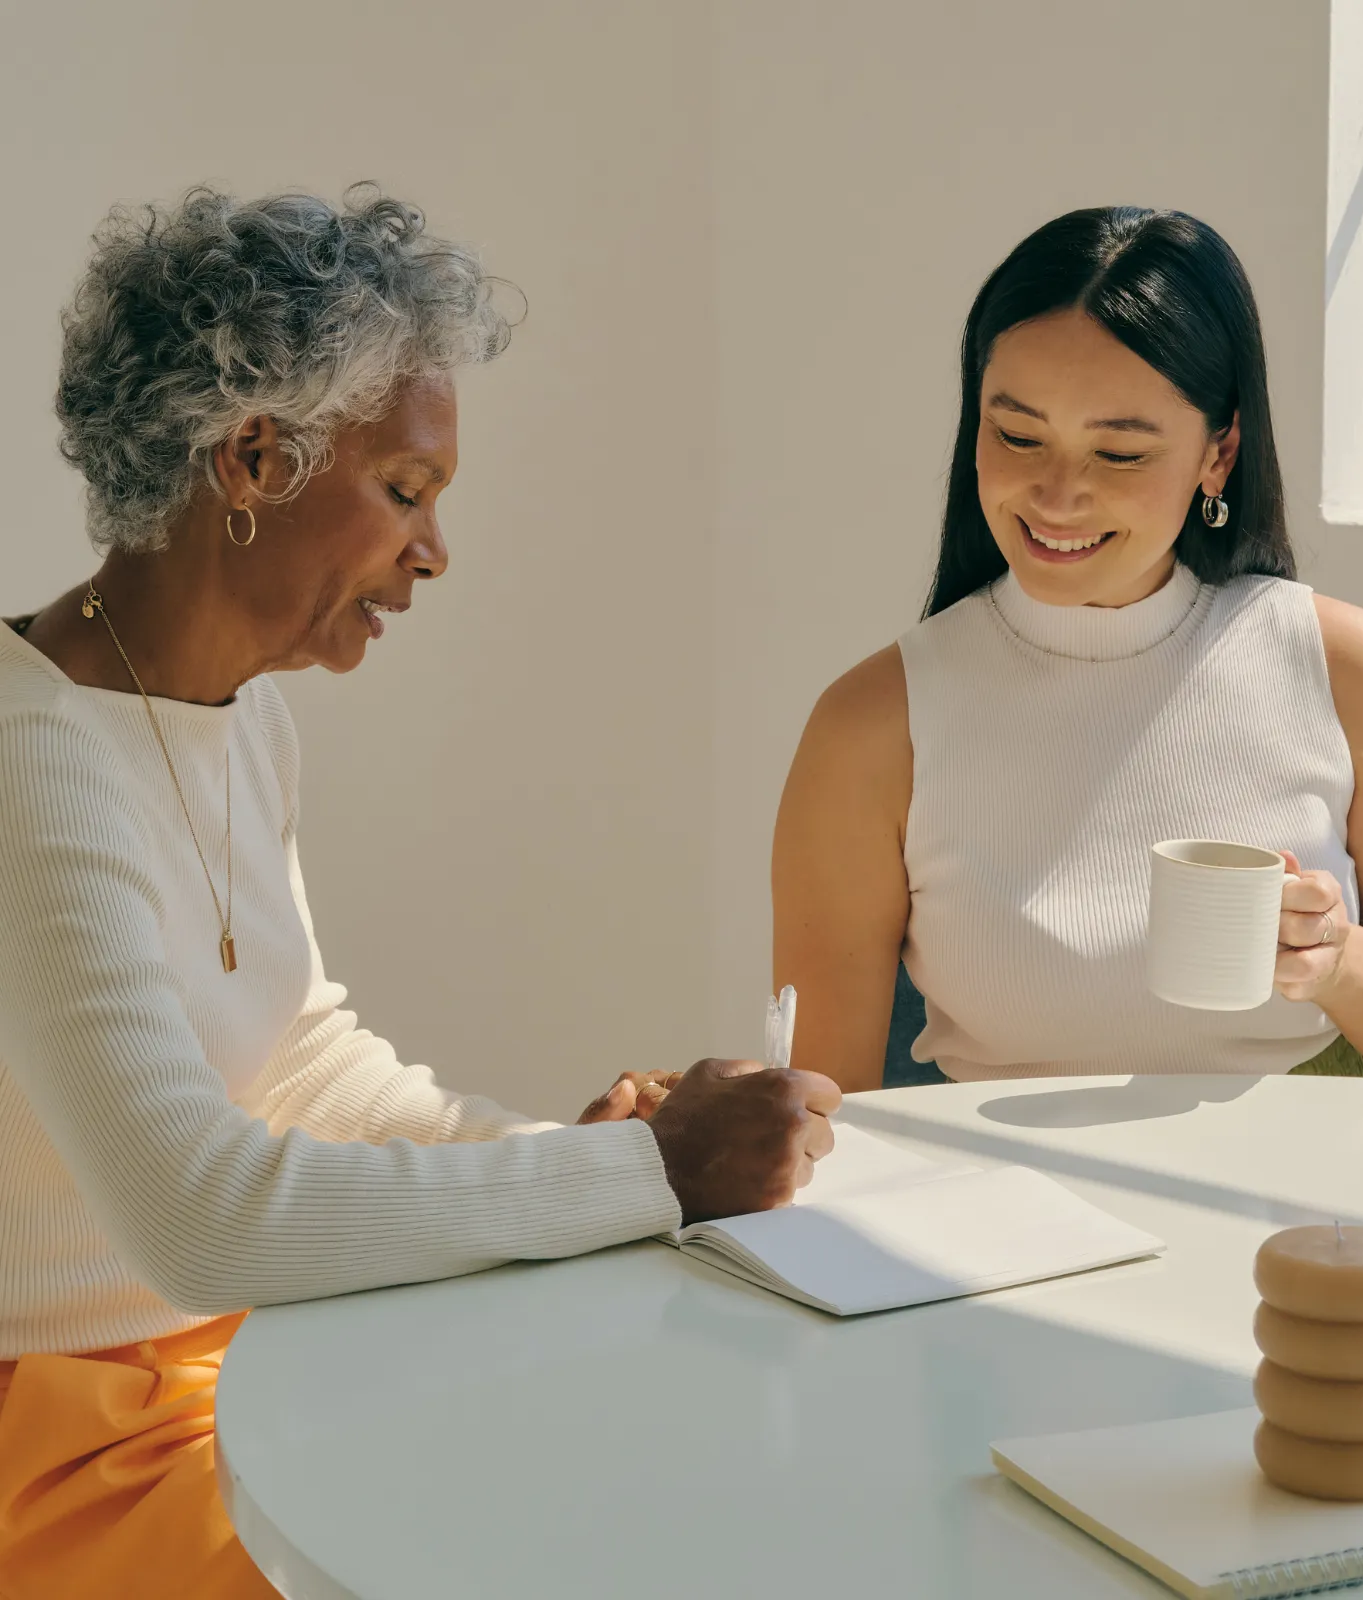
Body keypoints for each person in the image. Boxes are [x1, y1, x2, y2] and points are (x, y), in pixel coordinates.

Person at [0, 186, 839, 1600]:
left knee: (656, 1463)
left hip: (247, 1358)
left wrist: (551, 1151)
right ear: (252, 460)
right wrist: (645, 1172)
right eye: (407, 492)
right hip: (72, 1434)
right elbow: (199, 1219)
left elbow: (304, 1063)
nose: (434, 553)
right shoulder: (28, 763)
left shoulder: (240, 716)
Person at [773, 206, 1363, 1091]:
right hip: (1005, 1217)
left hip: (1294, 1216)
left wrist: (1339, 962)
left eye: (1119, 454)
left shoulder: (1347, 671)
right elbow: (826, 1116)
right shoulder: (874, 726)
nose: (1057, 495)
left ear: (1219, 453)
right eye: (1016, 435)